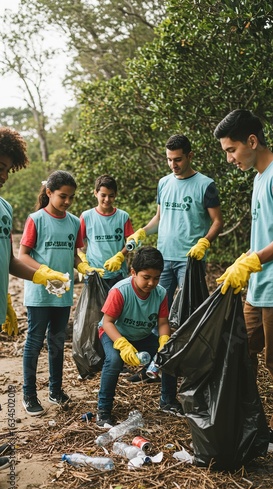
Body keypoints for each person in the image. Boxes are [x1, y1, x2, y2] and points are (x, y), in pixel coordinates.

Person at [126, 134, 223, 408]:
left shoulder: (205, 185)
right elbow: (160, 217)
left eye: (178, 159)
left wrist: (205, 241)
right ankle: (158, 373)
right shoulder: (164, 183)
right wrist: (142, 232)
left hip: (190, 261)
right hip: (162, 260)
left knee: (190, 319)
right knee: (157, 318)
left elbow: (217, 220)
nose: (173, 165)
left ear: (190, 156)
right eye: (169, 159)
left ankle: (195, 378)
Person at [18, 170, 100, 417]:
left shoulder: (74, 222)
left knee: (56, 341)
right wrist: (43, 271)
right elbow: (22, 255)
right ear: (49, 193)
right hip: (40, 293)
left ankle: (55, 391)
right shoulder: (36, 219)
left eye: (71, 198)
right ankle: (28, 394)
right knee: (34, 341)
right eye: (62, 196)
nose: (67, 202)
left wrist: (82, 265)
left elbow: (75, 254)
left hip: (62, 294)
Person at [214, 109, 273, 442]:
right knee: (240, 353)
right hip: (258, 287)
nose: (228, 158)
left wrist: (251, 262)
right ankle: (249, 426)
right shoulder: (258, 178)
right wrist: (244, 261)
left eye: (231, 150)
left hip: (272, 287)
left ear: (252, 141)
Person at [96, 246, 175, 427]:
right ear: (133, 272)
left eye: (156, 278)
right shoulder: (120, 291)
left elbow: (163, 323)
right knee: (114, 360)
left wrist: (164, 341)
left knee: (168, 355)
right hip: (115, 333)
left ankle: (168, 401)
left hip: (142, 335)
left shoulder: (161, 293)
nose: (151, 283)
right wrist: (123, 344)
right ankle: (103, 409)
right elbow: (107, 322)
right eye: (146, 277)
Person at [79, 174, 134, 288]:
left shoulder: (123, 216)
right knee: (96, 306)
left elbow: (132, 243)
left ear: (116, 195)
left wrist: (120, 256)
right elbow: (76, 244)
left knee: (117, 305)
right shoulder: (86, 217)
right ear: (95, 193)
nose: (107, 199)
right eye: (103, 195)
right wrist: (82, 259)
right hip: (94, 273)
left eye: (111, 196)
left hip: (118, 273)